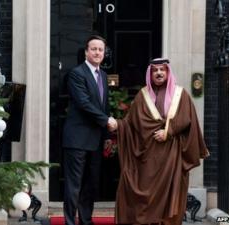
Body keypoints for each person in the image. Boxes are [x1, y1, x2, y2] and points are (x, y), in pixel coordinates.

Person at [113, 58, 209, 225]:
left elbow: (189, 122)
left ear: (168, 72)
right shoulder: (142, 96)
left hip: (171, 156)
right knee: (145, 197)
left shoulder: (181, 95)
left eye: (162, 70)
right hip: (147, 158)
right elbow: (130, 124)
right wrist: (117, 125)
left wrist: (169, 132)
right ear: (150, 74)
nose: (158, 73)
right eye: (155, 70)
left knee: (169, 197)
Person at [62, 35, 117, 225]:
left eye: (100, 50)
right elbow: (84, 103)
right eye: (93, 49)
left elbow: (104, 106)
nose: (97, 53)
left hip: (95, 139)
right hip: (77, 139)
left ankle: (86, 221)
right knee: (74, 185)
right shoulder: (77, 73)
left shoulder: (102, 75)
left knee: (90, 185)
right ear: (86, 52)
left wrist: (108, 136)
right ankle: (70, 222)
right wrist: (106, 120)